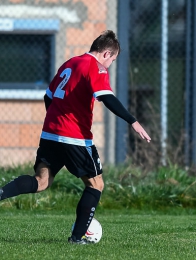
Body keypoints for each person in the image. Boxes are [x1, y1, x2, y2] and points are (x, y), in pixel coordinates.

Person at [0, 30, 151, 244]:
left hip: (50, 133)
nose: (110, 65)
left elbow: (48, 96)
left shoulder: (70, 63)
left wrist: (56, 122)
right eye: (113, 60)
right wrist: (132, 121)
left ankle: (1, 192)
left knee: (41, 181)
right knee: (95, 185)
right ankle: (76, 238)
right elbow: (107, 97)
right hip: (75, 137)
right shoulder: (95, 67)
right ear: (107, 54)